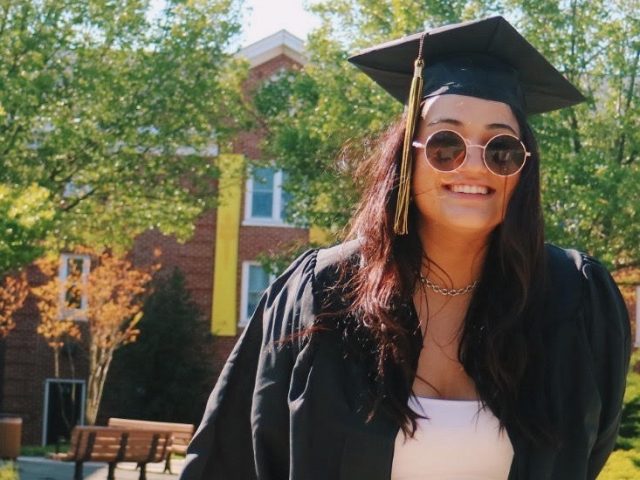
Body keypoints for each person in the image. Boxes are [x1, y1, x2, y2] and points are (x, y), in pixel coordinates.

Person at [180, 16, 631, 480]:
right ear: (406, 158)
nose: (474, 165)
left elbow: (585, 456)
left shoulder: (573, 298)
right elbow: (231, 458)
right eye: (445, 144)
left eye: (501, 148)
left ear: (523, 168)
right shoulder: (324, 292)